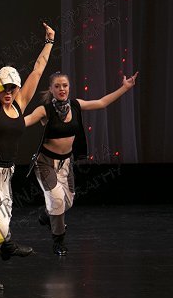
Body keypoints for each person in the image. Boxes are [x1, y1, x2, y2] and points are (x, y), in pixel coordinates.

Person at [0, 15, 54, 289]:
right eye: (3, 87)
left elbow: (37, 71)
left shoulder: (19, 103)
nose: (8, 92)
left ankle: (5, 246)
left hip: (5, 176)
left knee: (2, 224)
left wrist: (49, 42)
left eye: (12, 88)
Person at [24, 70, 138, 255]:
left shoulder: (76, 105)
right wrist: (4, 121)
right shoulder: (44, 110)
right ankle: (58, 240)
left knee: (67, 202)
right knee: (57, 200)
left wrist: (124, 88)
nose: (62, 89)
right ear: (51, 89)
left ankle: (46, 214)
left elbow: (101, 103)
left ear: (69, 87)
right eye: (57, 86)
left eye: (65, 85)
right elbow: (26, 121)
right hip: (45, 163)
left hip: (66, 163)